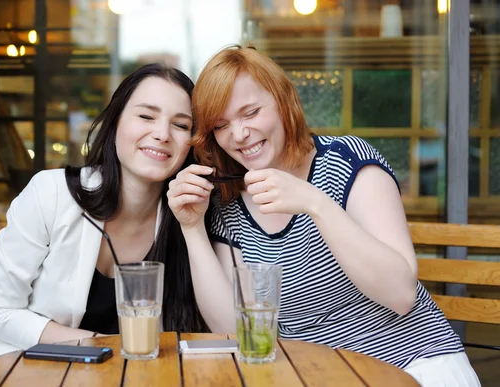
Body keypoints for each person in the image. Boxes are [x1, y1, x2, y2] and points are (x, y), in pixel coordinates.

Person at [167, 46, 480, 386]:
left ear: (283, 100)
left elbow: (401, 294)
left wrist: (315, 203)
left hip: (413, 365)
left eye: (251, 112)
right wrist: (192, 227)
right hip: (315, 377)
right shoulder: (229, 205)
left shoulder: (347, 161)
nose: (239, 134)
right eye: (221, 125)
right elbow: (235, 330)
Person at [0, 63, 208, 364]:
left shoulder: (185, 216)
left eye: (181, 125)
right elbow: (0, 313)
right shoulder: (51, 194)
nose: (162, 134)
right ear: (115, 123)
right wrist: (96, 345)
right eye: (146, 116)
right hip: (28, 371)